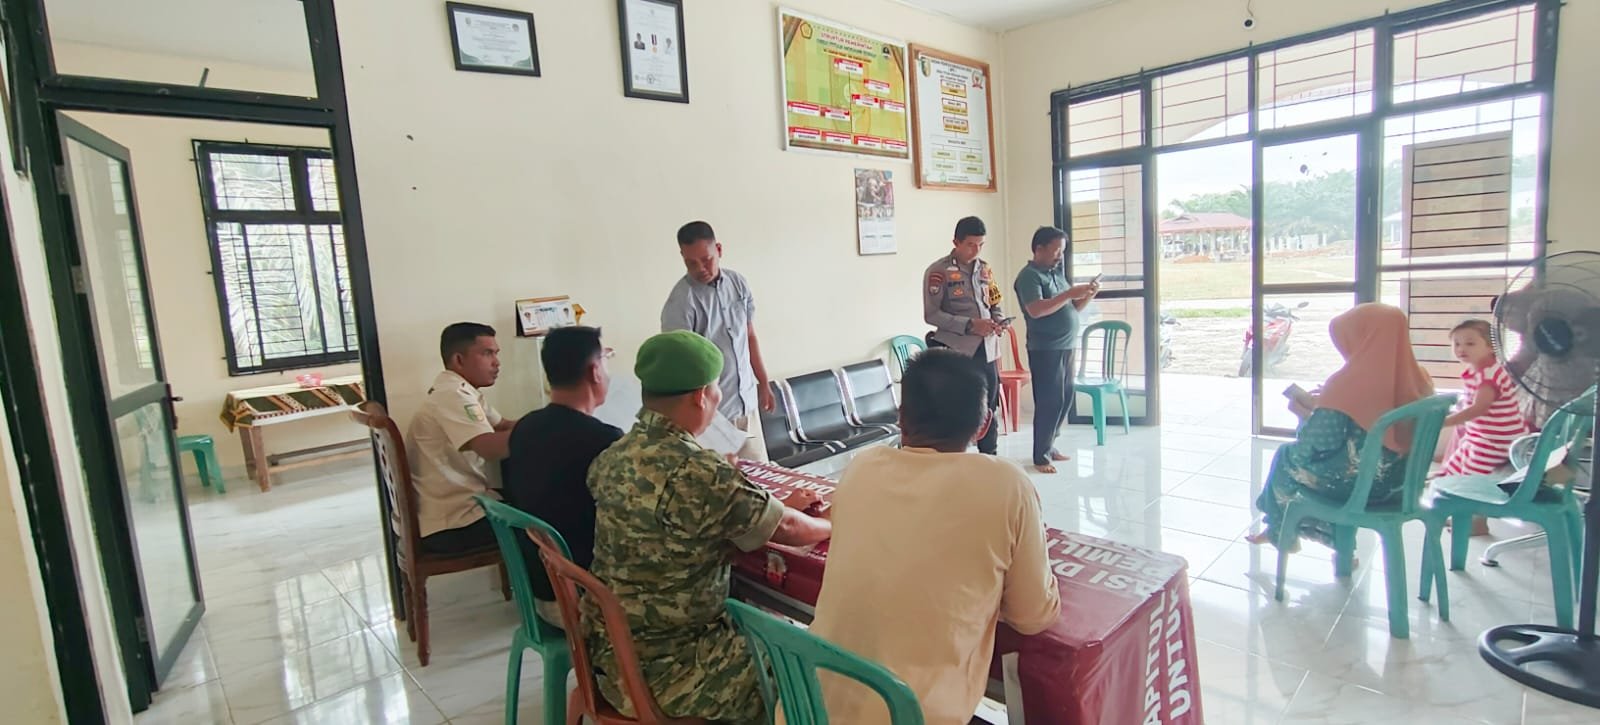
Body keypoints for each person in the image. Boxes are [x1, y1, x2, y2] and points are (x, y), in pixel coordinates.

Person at [586, 331, 831, 723]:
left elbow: (675, 522)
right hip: (674, 667)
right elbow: (788, 529)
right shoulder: (698, 471)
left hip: (611, 654)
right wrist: (829, 523)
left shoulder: (613, 456)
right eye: (716, 389)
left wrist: (761, 500)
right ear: (701, 396)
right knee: (807, 664)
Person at [809, 348, 1061, 724]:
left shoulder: (862, 466)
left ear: (901, 417)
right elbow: (1033, 615)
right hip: (912, 715)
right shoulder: (1005, 484)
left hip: (807, 707)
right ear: (983, 425)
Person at [1247, 303, 1434, 550]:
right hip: (1404, 485)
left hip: (1360, 489)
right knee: (1336, 463)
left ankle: (1282, 532)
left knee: (1286, 457)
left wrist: (1305, 416)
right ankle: (1338, 544)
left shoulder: (1346, 385)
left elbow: (1316, 445)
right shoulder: (1419, 379)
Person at [502, 326, 622, 621]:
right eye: (606, 359)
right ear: (594, 371)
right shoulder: (602, 440)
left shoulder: (525, 428)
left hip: (540, 589)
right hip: (583, 597)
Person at [661, 220, 774, 461]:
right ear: (682, 257)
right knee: (725, 482)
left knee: (763, 476)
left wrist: (763, 382)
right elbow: (679, 367)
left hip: (746, 405)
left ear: (719, 250)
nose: (701, 268)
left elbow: (749, 336)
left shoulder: (738, 283)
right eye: (691, 263)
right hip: (713, 420)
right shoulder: (681, 302)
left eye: (707, 259)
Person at [406, 322, 516, 555]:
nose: (497, 362)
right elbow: (488, 448)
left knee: (536, 499)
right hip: (456, 524)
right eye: (487, 353)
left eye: (496, 354)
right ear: (459, 359)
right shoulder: (453, 395)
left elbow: (503, 425)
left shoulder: (463, 390)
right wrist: (544, 432)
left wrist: (551, 419)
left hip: (466, 507)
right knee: (548, 520)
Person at [1013, 226, 1099, 472]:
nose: (1060, 256)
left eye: (1063, 251)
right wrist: (1069, 293)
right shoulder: (1029, 276)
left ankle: (1050, 445)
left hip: (1066, 345)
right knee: (1049, 401)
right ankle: (1040, 456)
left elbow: (1072, 308)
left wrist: (1088, 294)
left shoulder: (1056, 274)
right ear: (1039, 249)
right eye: (1057, 251)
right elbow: (1036, 310)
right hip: (1045, 348)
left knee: (1065, 398)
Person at [924, 215, 1008, 456]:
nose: (976, 250)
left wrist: (998, 320)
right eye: (971, 244)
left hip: (987, 350)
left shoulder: (985, 269)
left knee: (989, 407)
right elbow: (932, 314)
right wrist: (970, 325)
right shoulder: (938, 271)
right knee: (956, 408)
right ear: (956, 242)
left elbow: (994, 302)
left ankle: (989, 457)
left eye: (981, 245)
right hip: (957, 351)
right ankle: (954, 458)